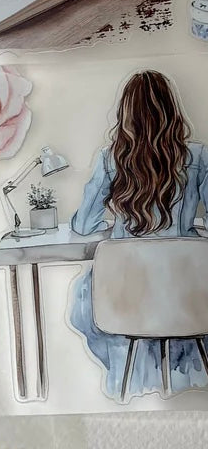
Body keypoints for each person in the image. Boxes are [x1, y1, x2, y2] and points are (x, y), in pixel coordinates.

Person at [69, 70, 208, 397]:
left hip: (127, 296)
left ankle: (132, 375)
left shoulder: (111, 158)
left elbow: (82, 225)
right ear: (171, 110)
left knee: (85, 298)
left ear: (126, 114)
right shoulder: (199, 156)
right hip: (183, 296)